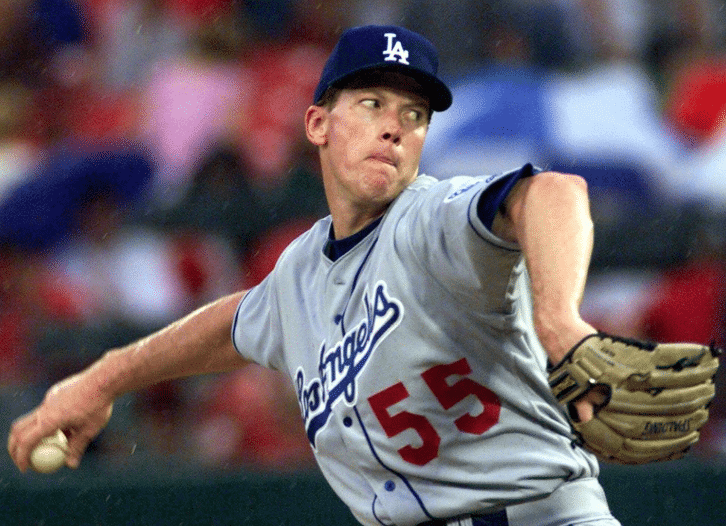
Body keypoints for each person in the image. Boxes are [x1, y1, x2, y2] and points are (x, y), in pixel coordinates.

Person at [9, 25, 620, 526]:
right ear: (318, 125)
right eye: (372, 103)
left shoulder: (434, 219)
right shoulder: (299, 270)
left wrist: (558, 317)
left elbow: (552, 194)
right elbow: (233, 323)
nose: (394, 127)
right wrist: (103, 379)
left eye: (414, 114)